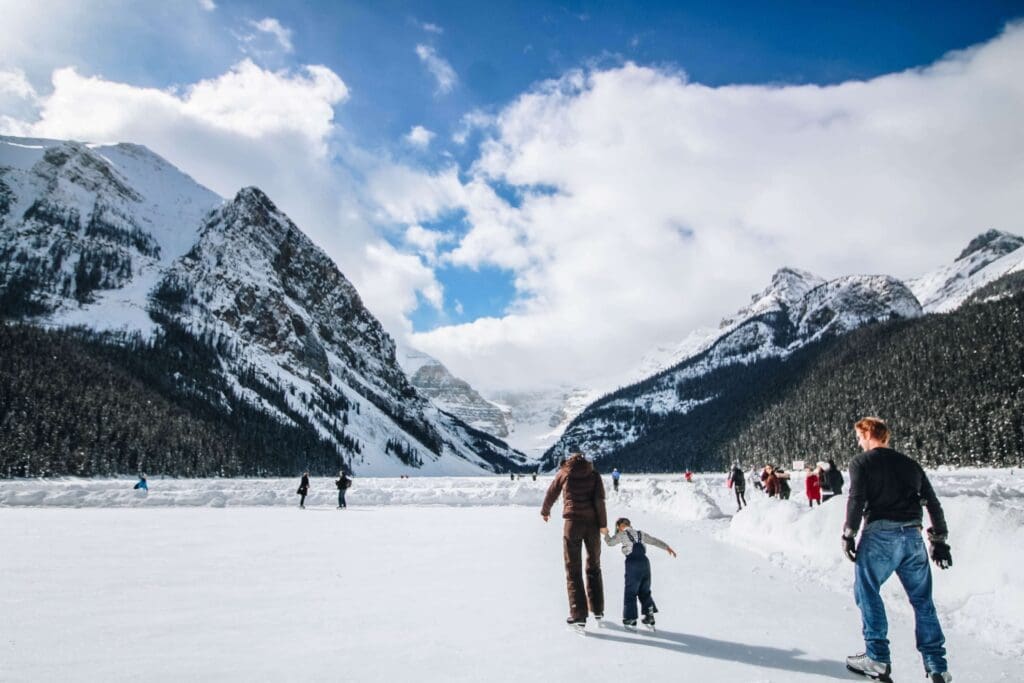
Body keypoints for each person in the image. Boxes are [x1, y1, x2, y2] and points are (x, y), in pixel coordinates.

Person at [842, 417, 953, 683]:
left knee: (866, 590)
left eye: (859, 435)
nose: (858, 441)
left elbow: (856, 498)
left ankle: (877, 658)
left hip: (880, 535)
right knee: (922, 601)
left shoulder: (861, 462)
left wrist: (849, 533)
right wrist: (939, 540)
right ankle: (937, 665)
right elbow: (933, 503)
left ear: (869, 433)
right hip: (913, 539)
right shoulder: (910, 465)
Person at [540, 452, 607, 628]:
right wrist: (603, 525)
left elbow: (551, 492)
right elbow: (600, 500)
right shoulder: (594, 474)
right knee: (594, 565)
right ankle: (598, 609)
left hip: (572, 525)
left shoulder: (564, 472)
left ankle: (578, 614)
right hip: (592, 525)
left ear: (568, 461)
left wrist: (545, 511)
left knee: (573, 568)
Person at [604, 517, 676, 628]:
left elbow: (610, 543)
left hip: (633, 564)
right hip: (645, 563)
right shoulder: (641, 533)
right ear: (629, 524)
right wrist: (667, 547)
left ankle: (630, 618)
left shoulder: (622, 534)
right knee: (645, 590)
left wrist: (606, 534)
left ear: (619, 526)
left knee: (631, 591)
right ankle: (649, 615)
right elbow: (654, 541)